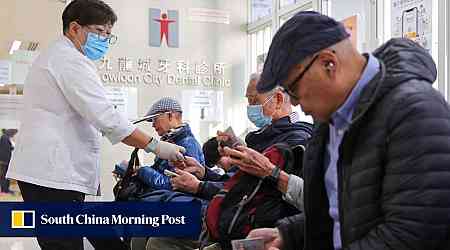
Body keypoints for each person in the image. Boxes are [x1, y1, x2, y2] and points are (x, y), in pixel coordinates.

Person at [241, 11, 450, 250]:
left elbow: (412, 233)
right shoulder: (331, 119)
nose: (295, 102)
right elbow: (342, 212)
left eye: (293, 89)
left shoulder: (415, 111)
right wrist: (290, 234)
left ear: (329, 64)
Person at [6, 1, 185, 250]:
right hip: (53, 174)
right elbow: (105, 116)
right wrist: (156, 146)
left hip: (53, 173)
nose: (104, 39)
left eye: (108, 34)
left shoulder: (62, 57)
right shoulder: (68, 60)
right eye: (100, 31)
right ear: (75, 28)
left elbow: (101, 114)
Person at [116, 97, 205, 190]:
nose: (153, 125)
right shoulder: (173, 141)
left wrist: (140, 170)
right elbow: (162, 174)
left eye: (155, 119)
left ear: (170, 115)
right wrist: (133, 170)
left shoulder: (187, 144)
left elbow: (176, 185)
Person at [0, 129, 18, 194]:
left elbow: (7, 148)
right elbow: (5, 149)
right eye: (13, 134)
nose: (13, 136)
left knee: (5, 175)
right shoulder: (5, 138)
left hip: (4, 160)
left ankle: (5, 189)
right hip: (5, 160)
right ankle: (5, 190)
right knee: (4, 175)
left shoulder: (5, 137)